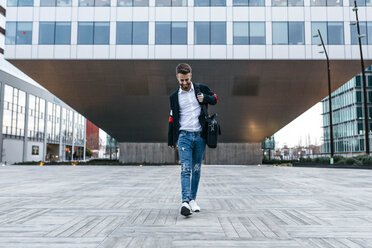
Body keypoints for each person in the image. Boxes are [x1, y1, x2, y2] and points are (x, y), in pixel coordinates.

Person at [168, 63, 219, 216]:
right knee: (185, 168)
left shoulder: (201, 88)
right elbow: (172, 118)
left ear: (191, 76)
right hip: (184, 136)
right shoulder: (174, 97)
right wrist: (171, 139)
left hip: (200, 137)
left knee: (196, 169)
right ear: (177, 78)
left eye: (186, 80)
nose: (184, 83)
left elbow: (215, 98)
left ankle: (192, 200)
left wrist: (206, 98)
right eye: (181, 80)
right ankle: (184, 202)